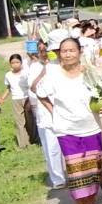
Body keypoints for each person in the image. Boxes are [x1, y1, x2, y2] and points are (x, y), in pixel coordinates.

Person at [35, 37, 102, 204]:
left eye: (72, 50)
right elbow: (40, 93)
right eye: (64, 51)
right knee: (76, 171)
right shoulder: (53, 75)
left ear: (79, 52)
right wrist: (53, 111)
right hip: (67, 131)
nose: (68, 54)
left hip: (92, 127)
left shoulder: (90, 73)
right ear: (60, 53)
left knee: (93, 170)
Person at [26, 45, 65, 186]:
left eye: (46, 51)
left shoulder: (58, 65)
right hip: (44, 113)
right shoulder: (35, 67)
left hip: (62, 111)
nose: (44, 53)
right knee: (51, 149)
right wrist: (44, 71)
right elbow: (33, 88)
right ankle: (58, 179)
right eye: (41, 51)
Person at [2, 52, 32, 150]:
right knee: (19, 122)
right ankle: (23, 143)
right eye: (13, 63)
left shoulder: (26, 73)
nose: (15, 64)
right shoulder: (8, 75)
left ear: (21, 63)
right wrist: (2, 98)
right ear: (10, 64)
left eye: (17, 62)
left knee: (30, 120)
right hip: (16, 99)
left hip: (27, 98)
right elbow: (8, 88)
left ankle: (33, 139)